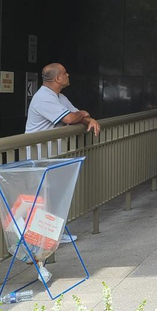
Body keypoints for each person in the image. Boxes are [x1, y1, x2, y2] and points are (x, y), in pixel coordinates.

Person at [26, 63, 100, 244]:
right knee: (42, 198)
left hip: (54, 155)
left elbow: (77, 116)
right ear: (58, 78)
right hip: (40, 156)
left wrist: (88, 118)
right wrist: (83, 114)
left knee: (54, 196)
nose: (68, 75)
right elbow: (70, 118)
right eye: (65, 73)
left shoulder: (58, 96)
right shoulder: (43, 97)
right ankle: (39, 240)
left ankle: (54, 235)